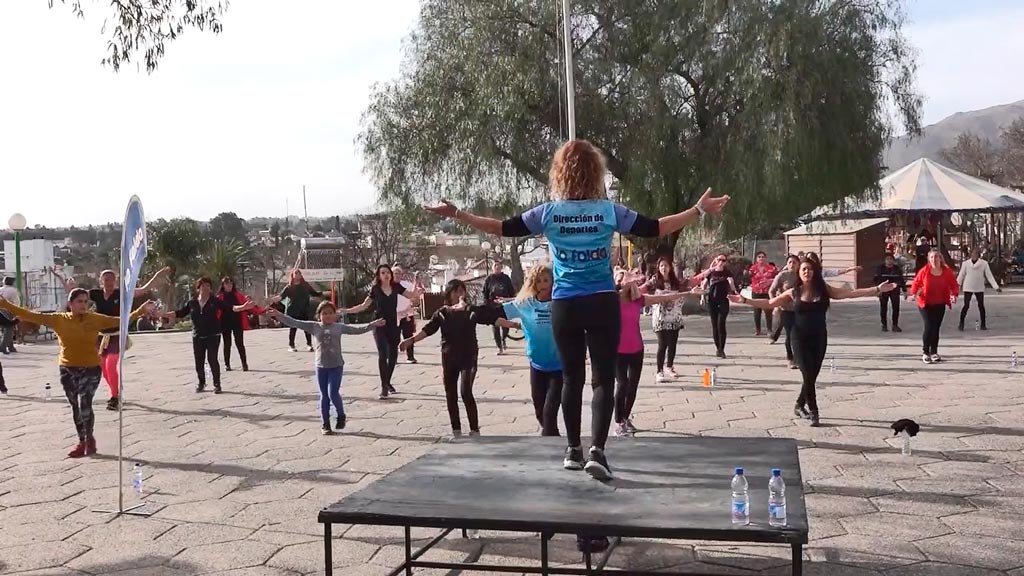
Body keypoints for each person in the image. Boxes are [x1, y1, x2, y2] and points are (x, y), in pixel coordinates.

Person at [424, 138, 729, 480]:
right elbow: (656, 227)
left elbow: (502, 228)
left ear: (560, 174)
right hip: (601, 301)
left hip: (565, 304)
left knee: (571, 378)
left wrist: (458, 214)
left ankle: (572, 450)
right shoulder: (609, 211)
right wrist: (698, 210)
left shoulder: (549, 213)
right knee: (603, 379)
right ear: (596, 172)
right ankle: (597, 450)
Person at [730, 258, 896, 426]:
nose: (806, 272)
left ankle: (799, 405)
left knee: (812, 376)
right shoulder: (793, 292)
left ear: (814, 272)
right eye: (803, 269)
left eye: (809, 269)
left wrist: (876, 289)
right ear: (799, 273)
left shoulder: (823, 290)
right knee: (807, 374)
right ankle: (814, 411)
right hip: (798, 337)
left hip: (819, 337)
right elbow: (769, 302)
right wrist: (745, 300)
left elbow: (849, 293)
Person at [0, 290, 153, 457]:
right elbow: (28, 314)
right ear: (70, 303)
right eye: (79, 301)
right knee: (75, 407)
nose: (83, 305)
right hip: (67, 369)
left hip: (91, 368)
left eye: (86, 301)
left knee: (85, 405)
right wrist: (5, 304)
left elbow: (120, 321)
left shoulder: (95, 319)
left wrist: (140, 311)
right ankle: (82, 441)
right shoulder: (58, 319)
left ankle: (89, 439)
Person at [54, 266, 172, 410]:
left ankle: (115, 397)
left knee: (111, 364)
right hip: (101, 337)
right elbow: (76, 296)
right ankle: (116, 390)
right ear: (101, 281)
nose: (110, 282)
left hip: (117, 335)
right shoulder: (95, 294)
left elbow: (142, 290)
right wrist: (68, 286)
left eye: (112, 279)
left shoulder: (120, 293)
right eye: (106, 280)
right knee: (103, 369)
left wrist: (157, 276)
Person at [399, 279, 500, 436]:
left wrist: (516, 325)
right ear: (449, 293)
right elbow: (428, 329)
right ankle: (456, 430)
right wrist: (410, 340)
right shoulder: (442, 313)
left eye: (462, 291)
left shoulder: (471, 310)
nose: (459, 294)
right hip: (449, 356)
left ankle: (474, 429)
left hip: (469, 356)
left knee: (466, 391)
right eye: (456, 291)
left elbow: (492, 319)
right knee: (450, 394)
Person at [266, 303, 384, 435]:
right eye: (324, 313)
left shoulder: (339, 327)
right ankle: (325, 423)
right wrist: (279, 315)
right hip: (321, 366)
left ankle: (341, 415)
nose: (327, 316)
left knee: (333, 393)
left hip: (336, 365)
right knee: (324, 396)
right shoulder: (314, 326)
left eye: (330, 313)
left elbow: (358, 330)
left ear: (335, 315)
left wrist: (373, 324)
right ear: (319, 316)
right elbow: (295, 322)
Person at [615, 268, 700, 436]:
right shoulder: (611, 301)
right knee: (622, 385)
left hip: (637, 349)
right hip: (618, 351)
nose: (623, 280)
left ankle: (625, 418)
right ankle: (618, 421)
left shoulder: (637, 300)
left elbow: (664, 297)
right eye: (619, 278)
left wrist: (689, 292)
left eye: (626, 277)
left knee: (632, 386)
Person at [493, 264, 562, 436]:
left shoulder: (561, 302)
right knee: (539, 407)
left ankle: (551, 441)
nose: (543, 284)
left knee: (550, 409)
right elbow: (498, 314)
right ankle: (552, 435)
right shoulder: (525, 303)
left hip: (559, 366)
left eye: (546, 280)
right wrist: (478, 313)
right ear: (533, 283)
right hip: (537, 364)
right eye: (539, 281)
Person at [342, 264, 423, 399]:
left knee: (393, 356)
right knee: (382, 354)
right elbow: (363, 306)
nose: (386, 275)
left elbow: (412, 296)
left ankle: (387, 382)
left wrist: (417, 286)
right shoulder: (375, 289)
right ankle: (384, 387)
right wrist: (346, 311)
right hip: (379, 324)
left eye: (388, 272)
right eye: (383, 273)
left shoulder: (396, 287)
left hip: (393, 324)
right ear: (379, 275)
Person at [165, 277, 255, 393]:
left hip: (213, 335)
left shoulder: (215, 301)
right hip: (197, 336)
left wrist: (243, 307)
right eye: (203, 286)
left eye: (208, 286)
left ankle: (217, 384)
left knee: (212, 359)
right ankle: (201, 383)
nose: (206, 288)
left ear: (211, 288)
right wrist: (163, 314)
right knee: (199, 361)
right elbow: (180, 313)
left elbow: (230, 308)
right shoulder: (192, 303)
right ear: (198, 288)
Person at [908, 249, 959, 364]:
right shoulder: (924, 271)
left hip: (940, 302)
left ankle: (934, 352)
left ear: (940, 258)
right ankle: (925, 352)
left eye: (936, 257)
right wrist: (913, 294)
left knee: (936, 327)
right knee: (929, 326)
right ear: (928, 259)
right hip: (925, 302)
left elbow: (954, 285)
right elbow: (916, 283)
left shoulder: (946, 271)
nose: (934, 260)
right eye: (931, 257)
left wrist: (953, 295)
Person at [646, 256, 686, 382]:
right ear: (658, 267)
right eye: (661, 265)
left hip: (674, 316)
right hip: (660, 317)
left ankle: (669, 366)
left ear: (670, 267)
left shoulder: (675, 281)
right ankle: (659, 371)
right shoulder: (654, 281)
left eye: (666, 265)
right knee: (662, 344)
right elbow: (645, 292)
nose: (664, 268)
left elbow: (683, 292)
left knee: (672, 344)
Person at [217, 277, 270, 372]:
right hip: (224, 323)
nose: (229, 285)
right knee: (227, 343)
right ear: (223, 285)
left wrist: (263, 311)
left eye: (230, 283)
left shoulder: (238, 295)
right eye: (227, 283)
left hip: (237, 322)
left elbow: (250, 307)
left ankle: (244, 364)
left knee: (240, 343)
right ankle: (227, 364)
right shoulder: (219, 297)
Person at [768, 254, 801, 368]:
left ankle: (799, 358)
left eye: (794, 262)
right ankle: (790, 358)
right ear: (787, 264)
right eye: (790, 262)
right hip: (786, 310)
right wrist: (775, 303)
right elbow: (771, 290)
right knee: (790, 334)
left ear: (798, 264)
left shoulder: (802, 275)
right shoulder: (782, 275)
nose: (792, 264)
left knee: (800, 334)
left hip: (801, 309)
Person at [702, 254, 738, 358]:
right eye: (719, 259)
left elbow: (731, 283)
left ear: (726, 262)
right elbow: (704, 284)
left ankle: (722, 348)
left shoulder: (727, 272)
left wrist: (734, 289)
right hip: (712, 300)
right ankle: (718, 348)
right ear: (716, 260)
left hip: (723, 300)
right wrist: (701, 297)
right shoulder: (711, 272)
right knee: (714, 325)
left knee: (721, 324)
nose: (721, 261)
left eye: (723, 260)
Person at [279, 269, 323, 352]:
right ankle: (291, 345)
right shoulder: (289, 287)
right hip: (293, 310)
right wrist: (272, 299)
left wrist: (322, 293)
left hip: (304, 309)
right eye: (296, 273)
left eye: (299, 273)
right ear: (292, 275)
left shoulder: (305, 285)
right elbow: (281, 297)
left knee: (307, 327)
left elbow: (314, 293)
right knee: (293, 328)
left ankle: (309, 345)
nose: (298, 274)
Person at [957, 248, 1002, 331]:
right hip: (968, 286)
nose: (974, 255)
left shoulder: (984, 264)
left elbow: (989, 276)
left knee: (981, 306)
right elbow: (961, 275)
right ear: (971, 255)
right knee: (966, 305)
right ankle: (961, 323)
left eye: (976, 254)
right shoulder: (965, 264)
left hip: (979, 287)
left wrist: (996, 287)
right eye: (973, 254)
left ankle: (983, 324)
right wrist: (956, 286)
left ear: (979, 255)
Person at [483, 261, 516, 355]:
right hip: (493, 306)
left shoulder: (506, 278)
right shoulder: (489, 279)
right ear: (492, 268)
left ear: (501, 267)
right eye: (495, 266)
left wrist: (510, 301)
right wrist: (487, 303)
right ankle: (499, 347)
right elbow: (485, 292)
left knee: (506, 326)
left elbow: (511, 290)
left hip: (504, 305)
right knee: (495, 326)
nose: (497, 267)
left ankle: (503, 338)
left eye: (499, 265)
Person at [393, 265, 421, 364]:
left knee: (408, 335)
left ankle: (410, 356)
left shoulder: (406, 285)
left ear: (402, 275)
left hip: (406, 314)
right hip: (393, 315)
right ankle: (393, 357)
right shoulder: (388, 286)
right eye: (395, 273)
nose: (397, 275)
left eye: (399, 273)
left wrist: (416, 282)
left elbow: (413, 294)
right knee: (394, 337)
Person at [747, 251, 778, 336]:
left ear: (766, 258)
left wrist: (771, 281)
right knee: (757, 311)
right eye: (759, 257)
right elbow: (747, 277)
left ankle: (769, 329)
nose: (761, 258)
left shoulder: (771, 268)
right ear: (756, 259)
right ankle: (758, 330)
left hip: (767, 291)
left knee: (768, 310)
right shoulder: (753, 268)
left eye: (763, 257)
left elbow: (777, 278)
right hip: (756, 291)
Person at [874, 253, 907, 332]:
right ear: (885, 261)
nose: (889, 261)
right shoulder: (880, 268)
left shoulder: (897, 269)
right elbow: (876, 279)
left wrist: (904, 291)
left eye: (891, 259)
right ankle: (884, 325)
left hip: (894, 290)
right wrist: (877, 290)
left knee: (896, 308)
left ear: (893, 260)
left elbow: (901, 280)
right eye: (887, 259)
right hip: (883, 290)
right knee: (883, 307)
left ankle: (895, 325)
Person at [0, 276, 19, 355]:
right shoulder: (13, 291)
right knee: (9, 330)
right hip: (8, 311)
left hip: (0, 310)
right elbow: (16, 303)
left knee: (6, 330)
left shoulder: (0, 289)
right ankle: (3, 347)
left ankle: (11, 346)